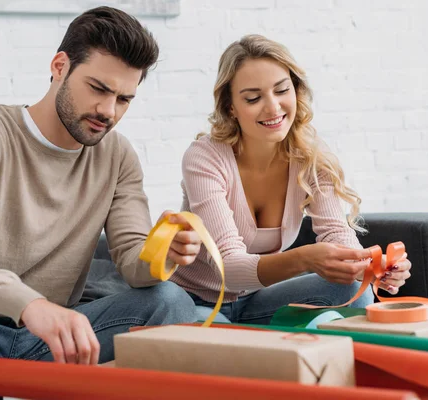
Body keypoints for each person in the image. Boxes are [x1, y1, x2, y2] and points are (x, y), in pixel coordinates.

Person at [0, 7, 202, 399]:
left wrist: (164, 253)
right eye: (99, 89)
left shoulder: (118, 156)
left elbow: (134, 264)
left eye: (124, 99)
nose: (109, 111)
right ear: (59, 67)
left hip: (55, 341)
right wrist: (29, 304)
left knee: (168, 301)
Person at [171, 34, 412, 325]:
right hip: (196, 302)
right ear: (231, 107)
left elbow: (338, 237)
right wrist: (305, 259)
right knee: (225, 343)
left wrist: (373, 267)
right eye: (253, 98)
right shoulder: (205, 158)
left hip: (258, 298)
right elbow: (229, 269)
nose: (273, 108)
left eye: (281, 90)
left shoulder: (310, 156)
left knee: (354, 289)